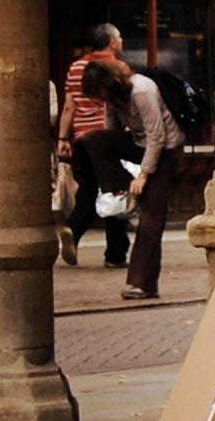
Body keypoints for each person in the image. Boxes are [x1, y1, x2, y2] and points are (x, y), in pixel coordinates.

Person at [79, 55, 184, 300]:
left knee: (151, 218)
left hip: (166, 149)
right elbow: (110, 129)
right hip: (139, 144)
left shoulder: (142, 89)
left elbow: (157, 135)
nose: (101, 100)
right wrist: (118, 169)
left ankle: (143, 283)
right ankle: (121, 191)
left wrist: (144, 176)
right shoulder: (113, 97)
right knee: (93, 139)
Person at [57, 24, 130, 269]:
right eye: (119, 38)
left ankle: (72, 229)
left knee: (88, 190)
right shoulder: (118, 67)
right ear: (111, 42)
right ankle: (115, 254)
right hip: (108, 138)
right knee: (116, 190)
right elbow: (122, 105)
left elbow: (69, 105)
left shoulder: (76, 66)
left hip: (82, 139)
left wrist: (62, 138)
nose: (121, 42)